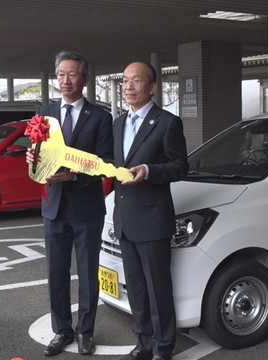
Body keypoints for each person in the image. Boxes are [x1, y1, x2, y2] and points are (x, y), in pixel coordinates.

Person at [30, 50, 114, 356]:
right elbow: (38, 152)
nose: (65, 81)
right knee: (56, 272)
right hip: (53, 207)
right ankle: (62, 330)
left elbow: (106, 161)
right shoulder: (44, 113)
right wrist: (33, 159)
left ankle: (85, 332)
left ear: (85, 79)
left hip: (87, 207)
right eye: (61, 74)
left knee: (89, 273)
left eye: (72, 74)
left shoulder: (101, 117)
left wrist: (75, 174)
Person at [114, 62, 188, 360]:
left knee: (158, 289)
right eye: (124, 81)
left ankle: (163, 347)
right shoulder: (117, 123)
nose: (129, 87)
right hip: (125, 220)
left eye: (136, 81)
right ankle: (143, 343)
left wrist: (149, 170)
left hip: (153, 220)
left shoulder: (168, 122)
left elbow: (181, 167)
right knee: (136, 288)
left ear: (152, 87)